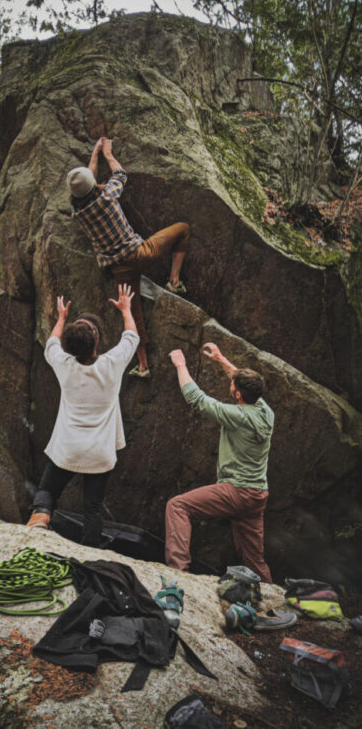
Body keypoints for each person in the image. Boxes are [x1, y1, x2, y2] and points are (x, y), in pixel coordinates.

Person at [66, 136, 189, 379]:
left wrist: (94, 155)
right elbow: (120, 174)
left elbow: (87, 185)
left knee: (132, 313)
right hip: (139, 254)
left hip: (117, 268)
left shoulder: (78, 212)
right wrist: (108, 155)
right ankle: (174, 281)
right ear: (92, 185)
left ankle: (143, 365)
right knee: (183, 229)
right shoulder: (108, 196)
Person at [27, 284, 139, 546]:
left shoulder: (64, 366)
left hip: (67, 449)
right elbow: (132, 336)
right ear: (97, 341)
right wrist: (126, 309)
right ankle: (89, 551)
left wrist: (61, 317)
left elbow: (51, 344)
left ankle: (41, 516)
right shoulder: (111, 365)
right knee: (92, 507)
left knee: (47, 490)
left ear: (70, 348)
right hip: (100, 453)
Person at [165, 342, 274, 582]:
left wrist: (180, 365)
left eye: (233, 384)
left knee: (178, 506)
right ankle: (271, 604)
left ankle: (178, 573)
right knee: (255, 561)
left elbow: (197, 399)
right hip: (257, 496)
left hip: (236, 491)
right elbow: (244, 383)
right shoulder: (266, 411)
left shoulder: (238, 415)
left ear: (237, 394)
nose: (231, 382)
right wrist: (221, 358)